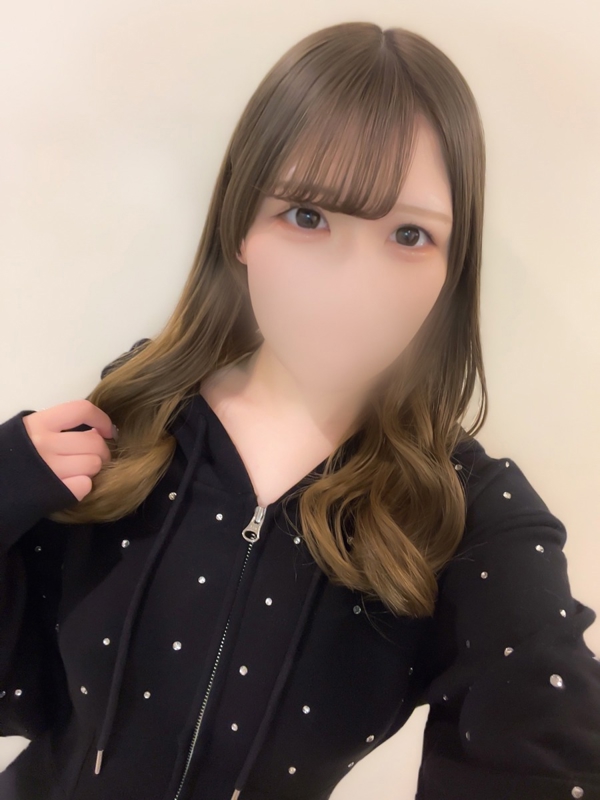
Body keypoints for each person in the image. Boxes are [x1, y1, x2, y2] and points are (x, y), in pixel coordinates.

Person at [1, 20, 599, 800]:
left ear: (452, 268)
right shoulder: (134, 416)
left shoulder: (463, 514)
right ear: (241, 227)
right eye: (309, 217)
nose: (351, 286)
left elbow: (545, 734)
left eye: (409, 234)